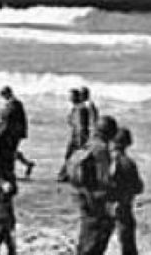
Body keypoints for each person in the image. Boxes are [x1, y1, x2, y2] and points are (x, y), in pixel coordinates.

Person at [73, 115, 118, 255]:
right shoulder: (102, 149)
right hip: (96, 198)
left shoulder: (89, 144)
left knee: (86, 233)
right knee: (97, 238)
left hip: (83, 194)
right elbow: (104, 179)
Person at [110, 128, 144, 255]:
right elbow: (138, 187)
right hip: (123, 206)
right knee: (128, 243)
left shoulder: (104, 160)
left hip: (103, 205)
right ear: (128, 143)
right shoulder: (128, 163)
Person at [0, 86, 36, 178]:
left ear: (8, 93)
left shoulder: (14, 103)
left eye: (4, 95)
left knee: (10, 151)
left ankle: (11, 171)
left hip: (13, 133)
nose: (3, 97)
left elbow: (11, 118)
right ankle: (27, 164)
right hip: (12, 132)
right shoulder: (11, 103)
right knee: (11, 151)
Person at [59, 88, 90, 182]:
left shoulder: (80, 109)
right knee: (71, 156)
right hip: (76, 135)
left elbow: (81, 125)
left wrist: (81, 139)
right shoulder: (78, 108)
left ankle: (65, 175)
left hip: (78, 136)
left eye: (71, 96)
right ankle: (66, 175)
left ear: (76, 97)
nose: (69, 98)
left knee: (71, 156)